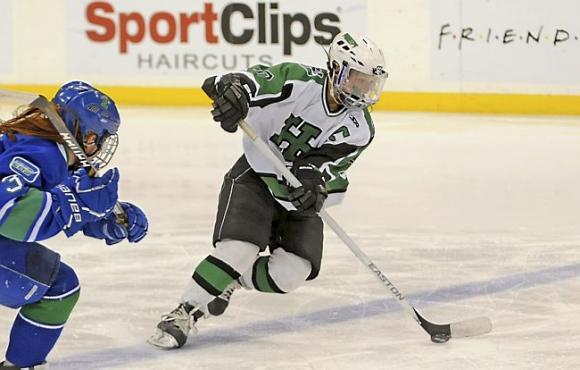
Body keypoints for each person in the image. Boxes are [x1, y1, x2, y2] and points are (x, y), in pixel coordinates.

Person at [148, 31, 387, 349]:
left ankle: (230, 279)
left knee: (290, 274)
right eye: (356, 79)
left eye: (368, 82)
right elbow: (252, 81)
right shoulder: (299, 81)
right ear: (335, 70)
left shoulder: (360, 129)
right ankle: (184, 312)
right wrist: (234, 92)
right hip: (258, 174)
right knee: (239, 249)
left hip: (299, 197)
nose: (362, 89)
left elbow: (331, 168)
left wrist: (315, 185)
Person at [0, 81, 148, 369]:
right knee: (60, 287)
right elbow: (9, 212)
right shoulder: (44, 152)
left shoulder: (44, 147)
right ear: (88, 134)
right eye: (102, 136)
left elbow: (58, 198)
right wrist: (80, 205)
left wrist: (103, 218)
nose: (102, 144)